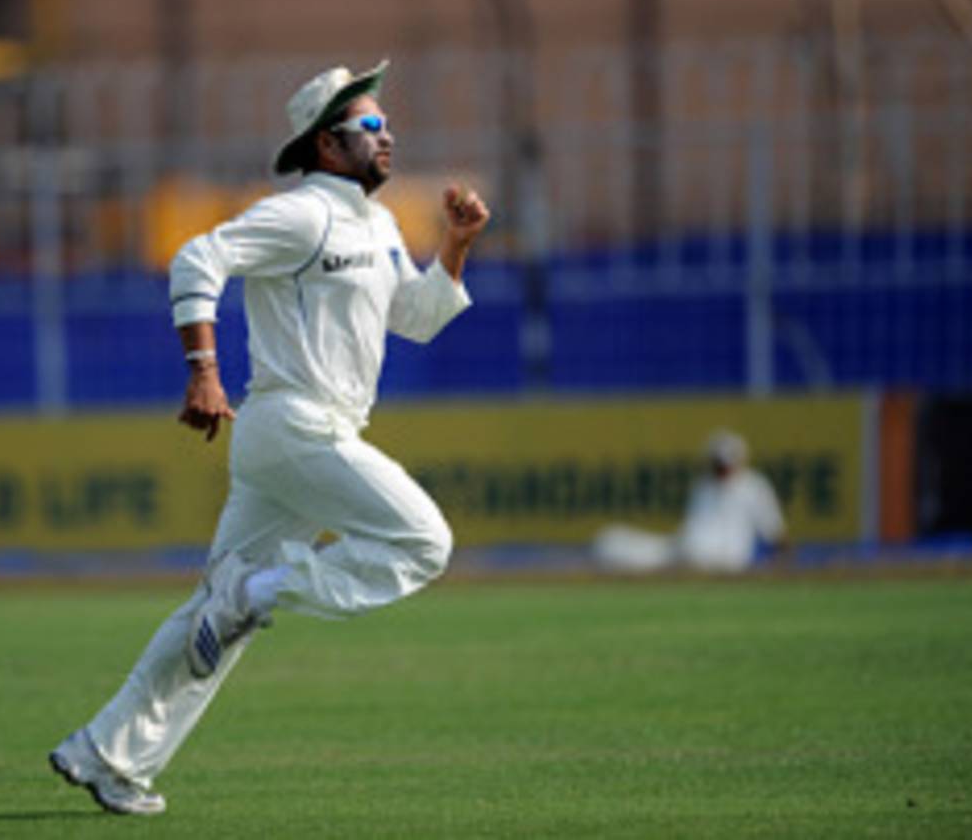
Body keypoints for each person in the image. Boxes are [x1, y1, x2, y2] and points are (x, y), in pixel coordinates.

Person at [48, 59, 490, 815]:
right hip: (294, 422)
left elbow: (414, 317)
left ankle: (105, 753)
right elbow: (197, 256)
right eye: (371, 125)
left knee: (211, 621)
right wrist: (203, 371)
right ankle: (255, 588)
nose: (388, 137)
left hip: (296, 440)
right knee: (425, 542)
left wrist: (454, 244)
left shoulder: (377, 222)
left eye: (386, 122)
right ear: (326, 144)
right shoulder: (303, 213)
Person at [591, 430, 790, 574]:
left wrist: (782, 566)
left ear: (741, 460)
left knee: (653, 557)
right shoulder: (703, 485)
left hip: (726, 558)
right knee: (608, 540)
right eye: (718, 464)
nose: (722, 470)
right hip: (687, 549)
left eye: (727, 464)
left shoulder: (754, 486)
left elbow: (775, 531)